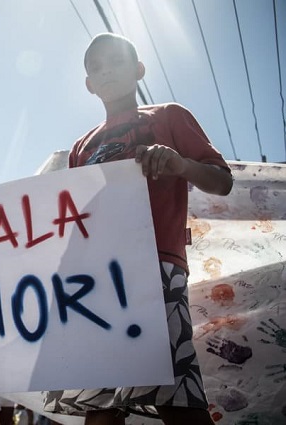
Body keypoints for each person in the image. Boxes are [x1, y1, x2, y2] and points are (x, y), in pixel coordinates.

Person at [43, 33, 233, 425]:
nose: (106, 69)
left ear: (138, 70)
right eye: (95, 66)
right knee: (100, 407)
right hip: (97, 281)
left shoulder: (169, 116)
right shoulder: (82, 146)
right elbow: (77, 216)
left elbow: (221, 180)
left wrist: (180, 165)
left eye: (115, 60)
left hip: (155, 267)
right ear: (88, 85)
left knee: (175, 397)